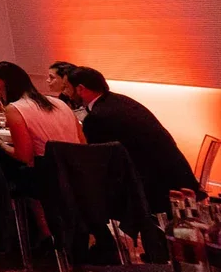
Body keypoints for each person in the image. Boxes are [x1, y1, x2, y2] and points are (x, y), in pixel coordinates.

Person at [68, 66, 197, 213]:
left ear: (80, 89)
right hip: (177, 173)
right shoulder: (120, 100)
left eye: (67, 88)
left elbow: (100, 162)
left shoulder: (97, 117)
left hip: (156, 186)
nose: (66, 93)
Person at [0, 61, 82, 167]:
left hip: (48, 171)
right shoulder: (58, 102)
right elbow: (82, 141)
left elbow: (24, 156)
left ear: (9, 85)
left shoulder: (15, 109)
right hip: (78, 166)